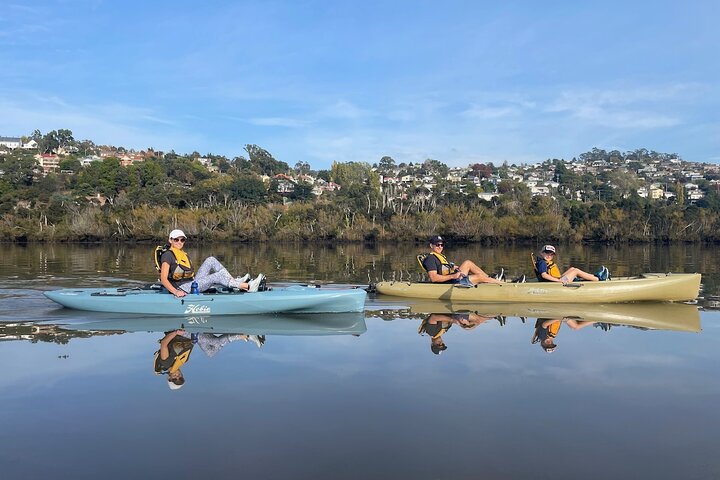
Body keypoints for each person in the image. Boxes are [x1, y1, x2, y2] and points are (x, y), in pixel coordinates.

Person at [159, 229, 265, 297]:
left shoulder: (182, 254)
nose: (179, 242)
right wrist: (175, 292)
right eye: (176, 240)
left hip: (192, 283)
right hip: (182, 288)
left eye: (182, 240)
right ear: (170, 240)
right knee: (215, 277)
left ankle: (233, 281)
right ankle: (248, 286)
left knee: (210, 260)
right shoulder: (168, 255)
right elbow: (163, 278)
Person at [422, 235, 503, 285]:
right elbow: (434, 278)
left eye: (442, 245)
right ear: (431, 246)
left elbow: (443, 269)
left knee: (467, 263)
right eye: (437, 245)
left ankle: (490, 278)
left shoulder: (439, 256)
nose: (440, 247)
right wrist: (453, 276)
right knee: (479, 277)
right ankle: (502, 284)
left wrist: (452, 269)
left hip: (454, 278)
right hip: (450, 283)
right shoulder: (430, 259)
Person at [419, 312, 496, 355]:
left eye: (438, 345)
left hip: (454, 314)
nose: (441, 343)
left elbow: (433, 317)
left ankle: (494, 316)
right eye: (442, 345)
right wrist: (462, 324)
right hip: (456, 316)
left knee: (477, 321)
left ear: (432, 344)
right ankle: (493, 317)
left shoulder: (431, 332)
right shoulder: (441, 333)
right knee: (469, 327)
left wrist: (453, 320)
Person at [534, 245, 608, 284]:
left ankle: (594, 276)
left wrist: (558, 280)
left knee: (572, 268)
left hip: (556, 280)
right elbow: (544, 275)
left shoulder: (543, 262)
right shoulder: (542, 262)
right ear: (541, 253)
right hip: (555, 283)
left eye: (551, 254)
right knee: (576, 271)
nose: (549, 256)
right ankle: (598, 278)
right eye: (547, 253)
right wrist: (559, 281)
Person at [531, 317, 596, 353]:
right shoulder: (551, 335)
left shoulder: (543, 336)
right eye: (552, 345)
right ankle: (594, 321)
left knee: (576, 327)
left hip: (556, 316)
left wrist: (558, 318)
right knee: (573, 327)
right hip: (559, 317)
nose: (550, 343)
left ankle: (597, 320)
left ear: (543, 344)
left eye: (547, 345)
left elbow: (544, 324)